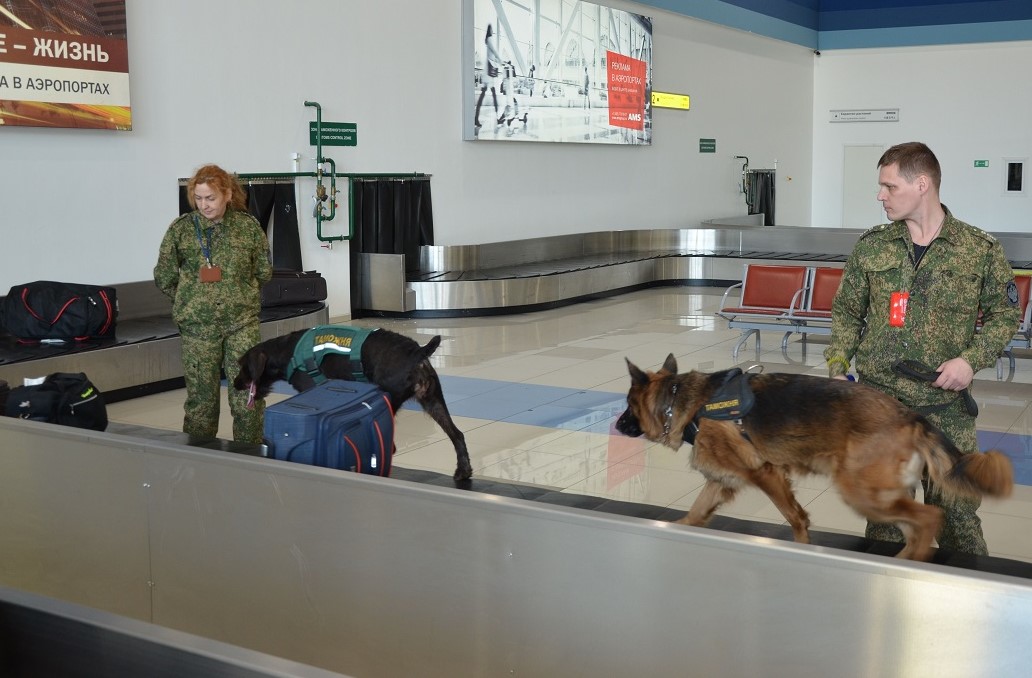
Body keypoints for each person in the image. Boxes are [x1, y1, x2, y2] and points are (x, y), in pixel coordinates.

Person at [825, 141, 1021, 555]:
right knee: (885, 515)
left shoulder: (977, 249)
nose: (880, 195)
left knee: (958, 515)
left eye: (889, 186)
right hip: (879, 405)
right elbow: (845, 311)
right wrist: (839, 364)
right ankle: (886, 601)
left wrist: (970, 361)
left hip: (944, 405)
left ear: (922, 184)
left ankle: (970, 601)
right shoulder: (873, 245)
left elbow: (1005, 316)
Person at [154, 164, 272, 444]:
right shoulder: (181, 231)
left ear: (228, 195)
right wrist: (192, 300)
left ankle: (249, 454)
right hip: (198, 329)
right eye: (199, 198)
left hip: (241, 325)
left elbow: (263, 272)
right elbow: (164, 276)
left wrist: (239, 297)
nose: (204, 205)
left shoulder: (248, 228)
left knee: (248, 396)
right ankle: (199, 459)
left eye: (211, 198)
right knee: (201, 401)